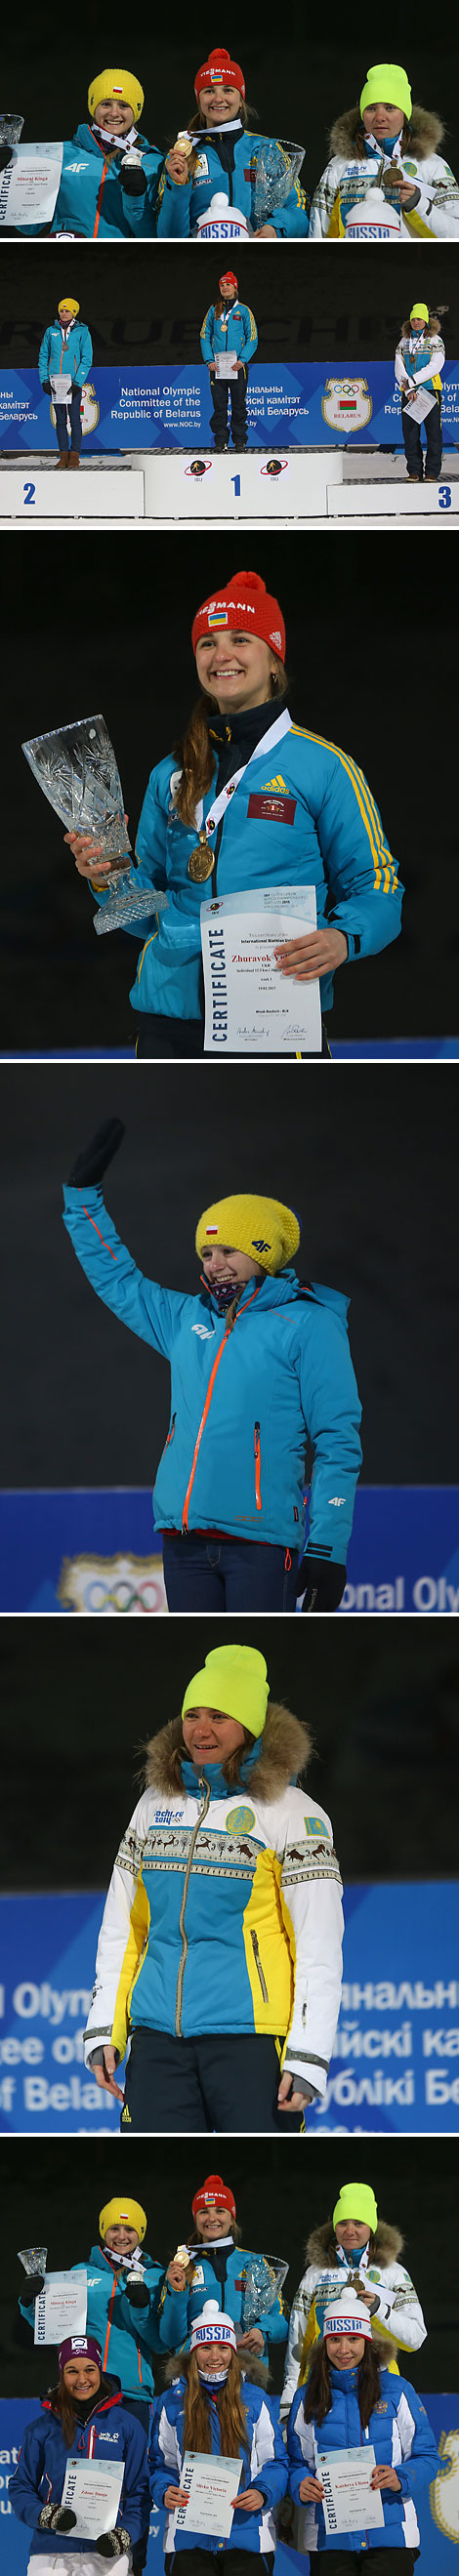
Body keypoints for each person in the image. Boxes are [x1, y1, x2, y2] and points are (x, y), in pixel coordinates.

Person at [67, 567, 402, 1059]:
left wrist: (342, 937)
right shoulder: (172, 773)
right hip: (167, 1022)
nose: (221, 655)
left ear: (274, 658)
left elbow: (379, 885)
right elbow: (144, 913)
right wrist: (106, 877)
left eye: (240, 639)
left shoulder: (325, 767)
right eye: (207, 643)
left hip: (276, 1016)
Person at [63, 1126, 362, 1612]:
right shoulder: (186, 1318)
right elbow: (116, 1276)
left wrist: (328, 1546)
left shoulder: (309, 1324)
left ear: (264, 1254)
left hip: (261, 1545)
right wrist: (82, 1201)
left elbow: (337, 1441)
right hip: (182, 1542)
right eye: (207, 1252)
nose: (216, 1264)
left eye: (230, 1251)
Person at [81, 1638, 344, 2132]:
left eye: (220, 1716)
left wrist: (309, 2054)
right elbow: (123, 1928)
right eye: (193, 1714)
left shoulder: (295, 1815)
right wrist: (104, 2026)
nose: (201, 1730)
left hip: (249, 2043)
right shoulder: (153, 1804)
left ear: (250, 1727)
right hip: (156, 2039)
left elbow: (319, 1944)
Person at [18, 2199, 166, 2570]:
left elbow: (162, 2341)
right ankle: (69, 2558)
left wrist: (143, 2306)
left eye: (130, 2229)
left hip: (132, 2396)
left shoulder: (155, 2275)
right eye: (114, 2228)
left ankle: (132, 2565)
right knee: (74, 2477)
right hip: (84, 2391)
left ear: (141, 2234)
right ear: (103, 2231)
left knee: (135, 2488)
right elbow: (53, 2328)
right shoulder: (80, 2274)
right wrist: (28, 2302)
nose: (121, 2235)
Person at [286, 2290, 440, 2564]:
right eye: (334, 2339)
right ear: (325, 2342)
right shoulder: (305, 2397)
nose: (343, 2350)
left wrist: (401, 2477)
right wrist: (300, 2484)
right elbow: (295, 2463)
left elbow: (427, 2457)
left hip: (390, 2539)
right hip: (329, 2540)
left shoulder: (397, 2391)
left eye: (353, 2339)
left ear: (367, 2341)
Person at [150, 2296, 288, 2558]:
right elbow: (160, 2464)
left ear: (233, 2353)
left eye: (223, 2348)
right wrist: (164, 2490)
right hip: (189, 2539)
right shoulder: (171, 2402)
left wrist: (263, 2492)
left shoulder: (255, 2399)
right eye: (206, 2348)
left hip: (247, 2535)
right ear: (194, 2353)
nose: (215, 2357)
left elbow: (276, 2462)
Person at [280, 2183, 427, 2421]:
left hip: (379, 2384)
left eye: (358, 2223)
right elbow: (298, 2343)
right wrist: (289, 2400)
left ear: (371, 2227)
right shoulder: (315, 2273)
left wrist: (379, 2310)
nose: (350, 2230)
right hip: (323, 2384)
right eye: (342, 2223)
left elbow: (415, 2338)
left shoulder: (393, 2272)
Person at [10, 2331, 150, 2570]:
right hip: (50, 2551)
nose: (82, 2379)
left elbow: (140, 2492)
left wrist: (125, 2534)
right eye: (72, 2371)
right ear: (62, 2374)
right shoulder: (41, 2428)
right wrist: (45, 2515)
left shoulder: (127, 2426)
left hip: (107, 2552)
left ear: (99, 2370)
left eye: (89, 2369)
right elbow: (20, 2486)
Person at [156, 46, 309, 238]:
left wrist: (276, 228)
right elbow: (168, 237)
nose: (219, 99)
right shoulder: (181, 157)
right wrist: (178, 186)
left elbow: (299, 209)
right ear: (199, 99)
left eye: (228, 90)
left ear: (240, 98)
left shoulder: (266, 149)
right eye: (209, 91)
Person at [158, 2172, 288, 2381]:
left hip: (246, 2374)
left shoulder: (254, 2263)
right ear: (195, 2218)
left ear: (231, 2217)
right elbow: (169, 2337)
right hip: (194, 2376)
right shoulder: (181, 2268)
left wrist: (263, 2331)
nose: (212, 2218)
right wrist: (177, 2292)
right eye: (203, 2212)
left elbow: (281, 2323)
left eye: (220, 2210)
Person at [309, 61, 459, 239]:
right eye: (371, 108)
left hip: (411, 265)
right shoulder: (339, 166)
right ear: (363, 114)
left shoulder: (432, 165)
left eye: (390, 108)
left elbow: (455, 232)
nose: (380, 117)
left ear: (404, 114)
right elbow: (318, 233)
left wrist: (418, 205)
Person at [23, 68, 164, 238]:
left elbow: (151, 237)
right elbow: (28, 227)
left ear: (136, 111)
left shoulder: (154, 163)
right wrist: (8, 180)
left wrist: (136, 197)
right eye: (105, 104)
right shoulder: (60, 154)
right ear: (93, 106)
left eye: (124, 105)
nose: (114, 113)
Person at [200, 274, 257, 452]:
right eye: (222, 285)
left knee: (239, 405)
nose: (225, 287)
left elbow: (252, 338)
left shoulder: (244, 311)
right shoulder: (213, 310)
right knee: (219, 406)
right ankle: (221, 441)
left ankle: (240, 441)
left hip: (237, 366)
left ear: (235, 287)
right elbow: (204, 335)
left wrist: (243, 360)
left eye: (228, 285)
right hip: (217, 366)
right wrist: (209, 360)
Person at [38, 299, 93, 470]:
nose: (64, 313)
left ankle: (75, 456)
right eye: (61, 310)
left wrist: (78, 382)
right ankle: (63, 455)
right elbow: (43, 357)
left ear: (74, 312)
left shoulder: (82, 331)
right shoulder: (51, 331)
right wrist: (44, 380)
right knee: (60, 421)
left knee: (75, 420)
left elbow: (87, 359)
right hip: (56, 382)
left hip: (73, 383)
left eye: (67, 311)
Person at [395, 301, 446, 483]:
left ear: (426, 320)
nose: (416, 322)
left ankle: (432, 472)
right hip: (410, 392)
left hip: (430, 391)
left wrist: (412, 381)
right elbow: (398, 365)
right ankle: (414, 471)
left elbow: (435, 366)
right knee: (410, 433)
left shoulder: (435, 340)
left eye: (419, 319)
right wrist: (408, 388)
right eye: (413, 319)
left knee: (433, 433)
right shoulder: (404, 341)